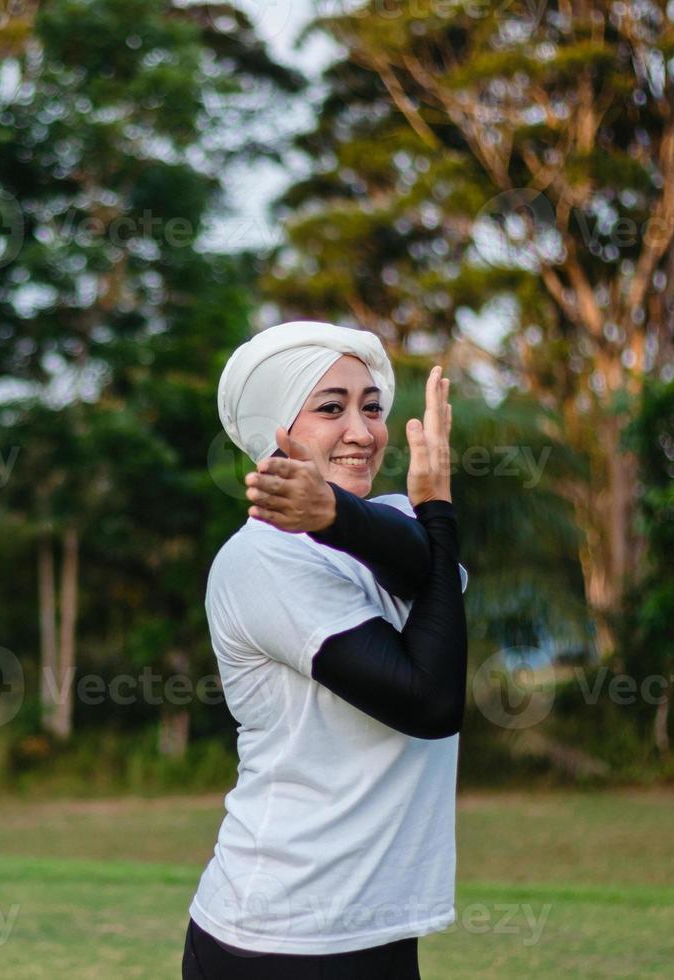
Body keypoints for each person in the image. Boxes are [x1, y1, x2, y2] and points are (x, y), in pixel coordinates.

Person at [184, 321, 468, 979]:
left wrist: (346, 517)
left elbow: (426, 558)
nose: (364, 432)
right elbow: (429, 701)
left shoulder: (397, 521)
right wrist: (436, 514)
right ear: (278, 435)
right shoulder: (261, 558)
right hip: (279, 940)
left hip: (382, 928)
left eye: (371, 407)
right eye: (331, 408)